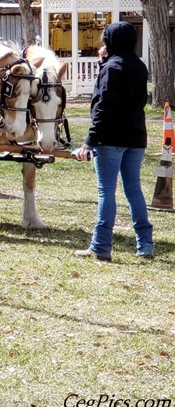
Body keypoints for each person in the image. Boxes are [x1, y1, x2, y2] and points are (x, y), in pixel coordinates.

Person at [73, 21, 154, 261]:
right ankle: (145, 244)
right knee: (134, 191)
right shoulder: (139, 66)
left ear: (111, 41)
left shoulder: (112, 68)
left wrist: (89, 141)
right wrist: (103, 63)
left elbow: (104, 107)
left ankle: (101, 246)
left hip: (111, 139)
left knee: (106, 192)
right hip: (136, 136)